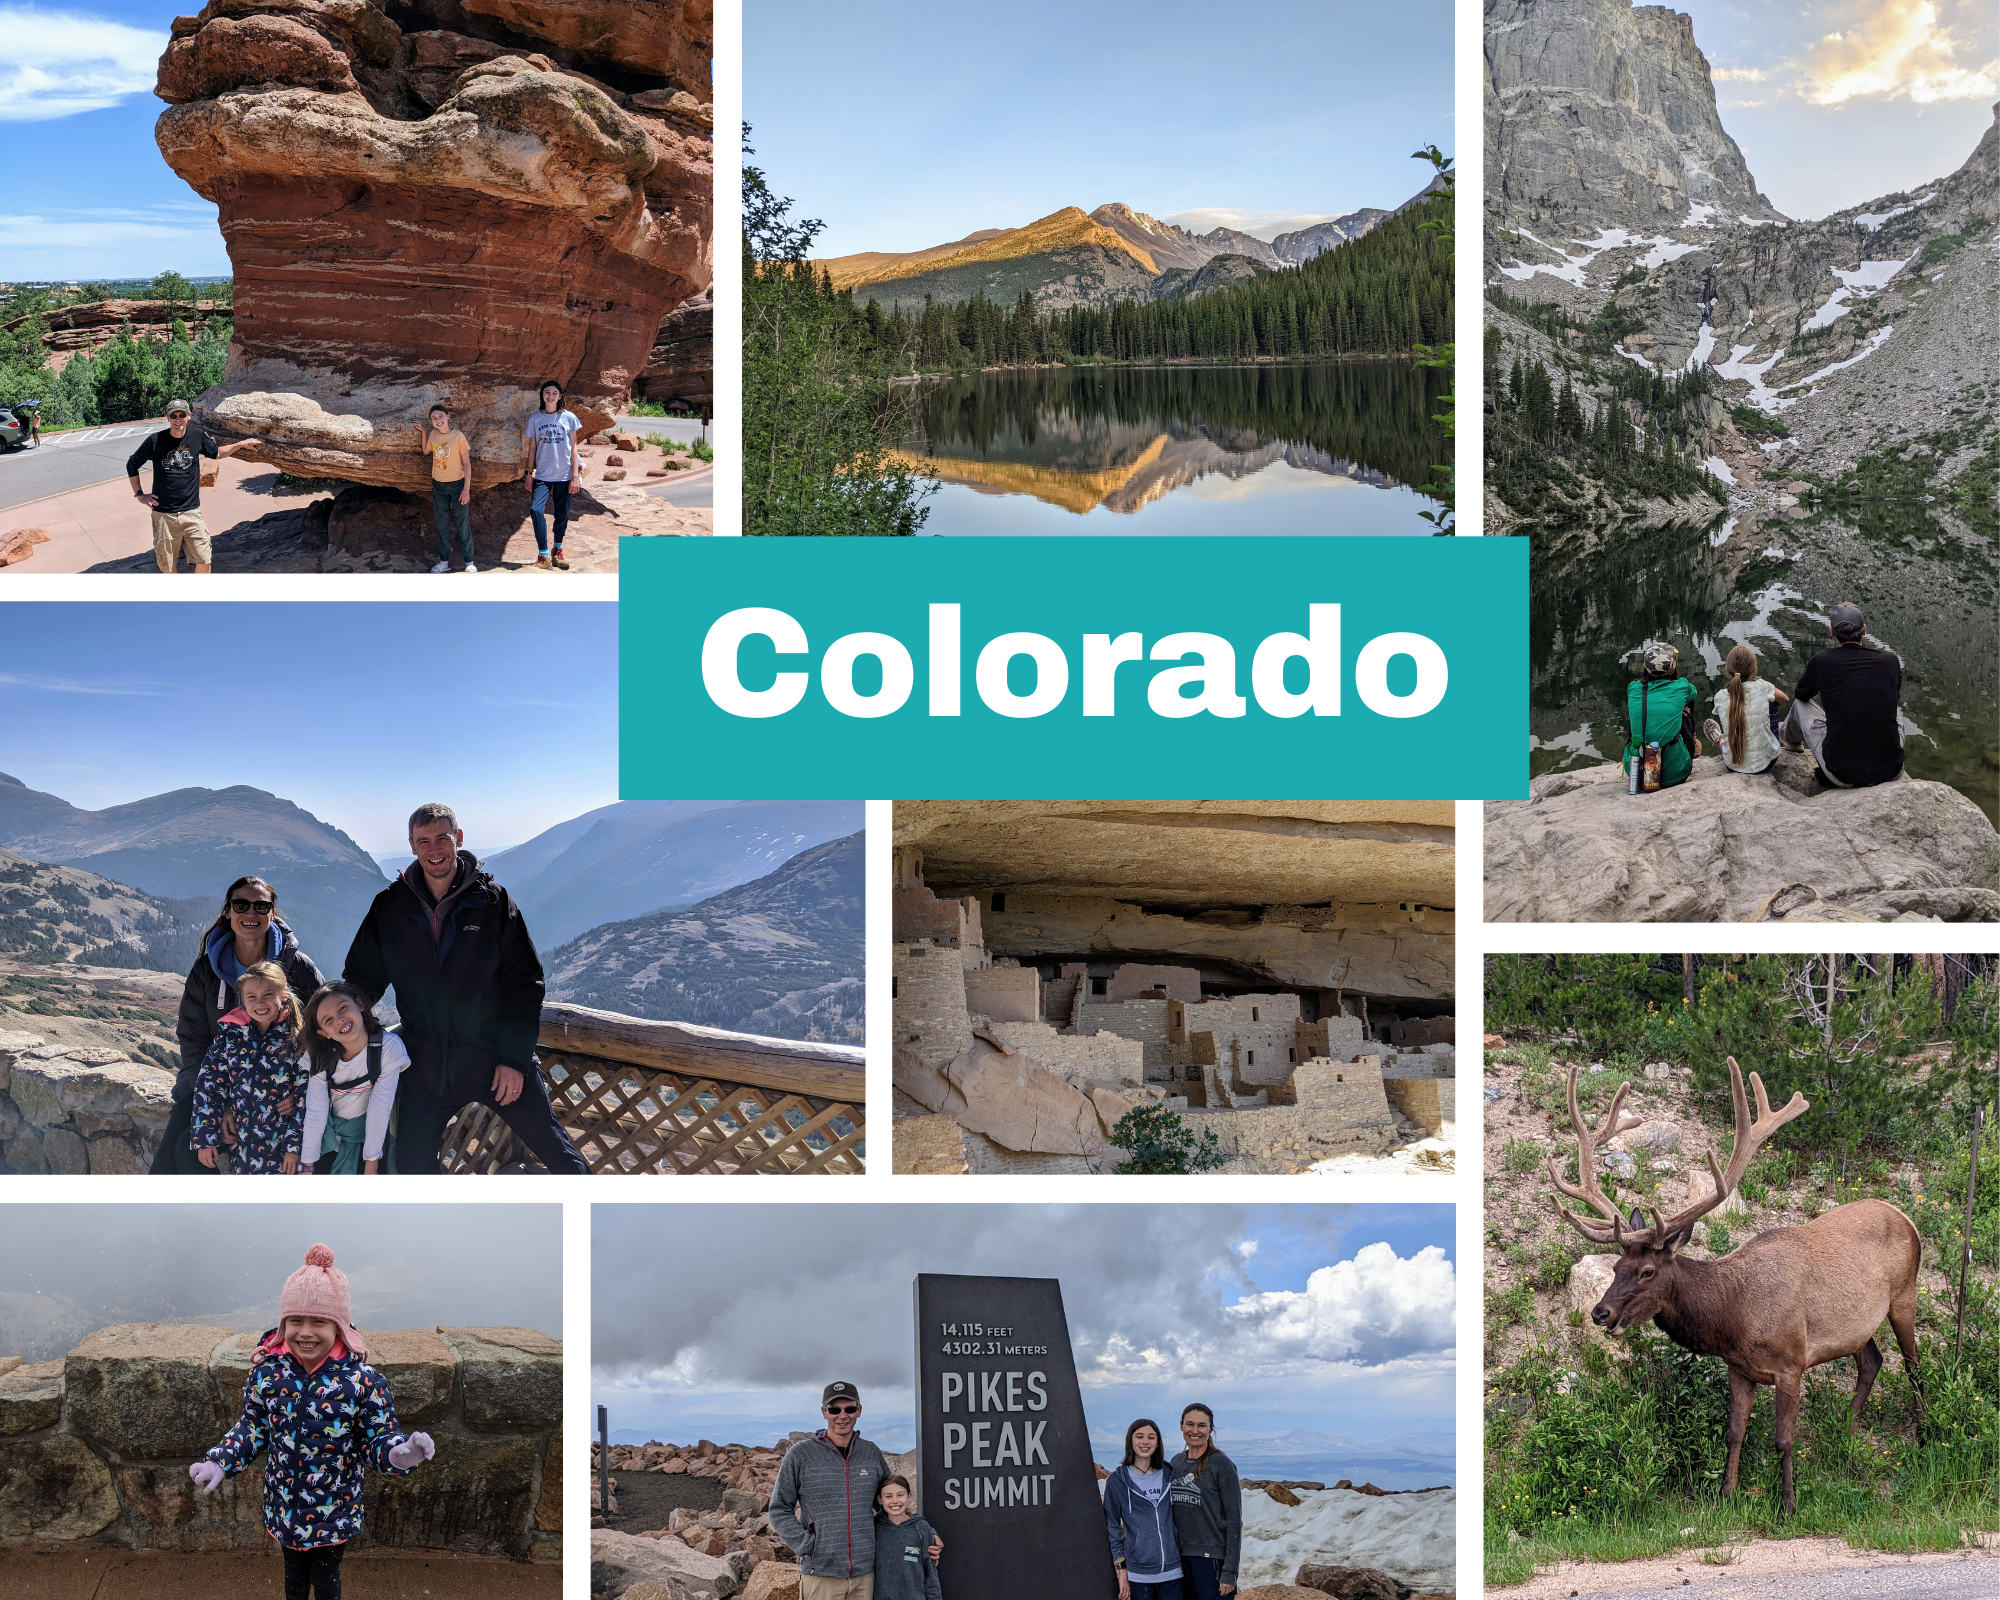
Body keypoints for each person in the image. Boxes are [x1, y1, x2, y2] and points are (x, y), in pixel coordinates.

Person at [344, 802, 588, 1174]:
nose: (434, 850)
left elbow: (525, 984)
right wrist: (342, 1020)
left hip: (494, 1060)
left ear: (458, 839)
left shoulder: (492, 902)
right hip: (426, 1068)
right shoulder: (390, 907)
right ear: (411, 846)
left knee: (559, 1156)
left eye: (442, 839)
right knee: (412, 1170)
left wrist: (513, 1059)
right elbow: (362, 978)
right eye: (424, 841)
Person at [189, 1244, 435, 1600]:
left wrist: (402, 1454)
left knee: (326, 1579)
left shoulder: (363, 1382)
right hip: (284, 1506)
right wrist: (220, 1461)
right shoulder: (268, 1374)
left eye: (319, 1321)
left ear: (339, 1328)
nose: (305, 1332)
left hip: (334, 1511)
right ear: (282, 1324)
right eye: (295, 1321)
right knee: (293, 1578)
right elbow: (252, 1428)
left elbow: (377, 1440)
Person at [158, 877, 324, 1175]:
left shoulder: (298, 967)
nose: (251, 913)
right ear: (227, 912)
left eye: (261, 906)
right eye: (241, 905)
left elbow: (324, 1031)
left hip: (280, 1096)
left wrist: (302, 1094)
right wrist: (221, 1105)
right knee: (183, 1150)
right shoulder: (206, 969)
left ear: (273, 913)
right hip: (218, 1083)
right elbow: (193, 1038)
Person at [769, 1381, 939, 1599]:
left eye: (849, 1409)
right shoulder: (801, 1455)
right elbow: (778, 1508)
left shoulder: (870, 1453)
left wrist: (926, 1534)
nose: (842, 1415)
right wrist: (807, 1545)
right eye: (834, 1409)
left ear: (859, 1410)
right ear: (824, 1412)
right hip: (821, 1574)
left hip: (865, 1575)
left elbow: (891, 1504)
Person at [189, 961, 309, 1174]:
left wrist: (294, 1146)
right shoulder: (229, 1037)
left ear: (284, 994)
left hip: (283, 1152)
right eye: (251, 996)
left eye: (268, 994)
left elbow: (306, 1094)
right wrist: (205, 1139)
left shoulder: (297, 1040)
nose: (260, 1002)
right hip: (243, 1151)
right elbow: (209, 1084)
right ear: (242, 1000)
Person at [124, 398, 262, 573]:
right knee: (168, 565)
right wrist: (139, 495)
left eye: (182, 414)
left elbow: (217, 453)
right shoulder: (155, 440)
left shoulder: (196, 436)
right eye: (174, 415)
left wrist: (240, 444)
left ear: (188, 416)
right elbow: (132, 464)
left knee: (204, 558)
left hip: (191, 512)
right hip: (164, 515)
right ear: (168, 418)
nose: (178, 419)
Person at [1780, 601, 1905, 788]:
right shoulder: (1889, 660)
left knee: (1799, 705)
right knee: (1894, 707)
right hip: (1891, 771)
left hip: (1842, 774)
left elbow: (1801, 694)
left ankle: (1791, 743)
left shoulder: (1822, 661)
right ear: (1864, 629)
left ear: (1832, 631)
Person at [298, 982, 408, 1175]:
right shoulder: (321, 1056)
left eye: (343, 1008)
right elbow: (317, 1110)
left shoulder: (387, 1049)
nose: (339, 1019)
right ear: (324, 1034)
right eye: (328, 1020)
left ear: (359, 1004)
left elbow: (380, 1108)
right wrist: (308, 1165)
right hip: (329, 1138)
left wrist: (371, 1166)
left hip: (366, 1138)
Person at [1167, 1404, 1240, 1600]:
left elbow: (1234, 1520)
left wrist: (1230, 1572)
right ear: (1181, 1426)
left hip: (1211, 1561)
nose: (1195, 1430)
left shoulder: (1221, 1465)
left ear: (1210, 1428)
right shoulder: (1175, 1463)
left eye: (1202, 1425)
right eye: (1190, 1424)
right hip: (1179, 1560)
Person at [1106, 1417, 1183, 1600]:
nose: (1145, 1442)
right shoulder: (1118, 1481)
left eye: (1151, 1437)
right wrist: (1121, 1570)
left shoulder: (1169, 1474)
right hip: (1138, 1574)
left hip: (1173, 1571)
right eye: (1139, 1436)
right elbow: (1112, 1525)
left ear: (1157, 1443)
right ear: (1130, 1441)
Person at [1620, 640, 1703, 790]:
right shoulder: (1682, 687)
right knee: (1687, 705)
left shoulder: (1633, 688)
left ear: (1645, 666)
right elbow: (1693, 693)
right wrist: (1677, 707)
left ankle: (1640, 758)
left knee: (1640, 713)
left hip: (1636, 771)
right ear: (1674, 667)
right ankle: (1692, 743)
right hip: (1675, 773)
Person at [521, 379, 581, 570]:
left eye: (554, 393)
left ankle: (557, 550)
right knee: (536, 510)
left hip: (564, 474)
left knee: (562, 513)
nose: (550, 396)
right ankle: (543, 554)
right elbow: (532, 448)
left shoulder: (569, 418)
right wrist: (529, 473)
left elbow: (574, 448)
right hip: (543, 475)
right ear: (542, 396)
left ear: (560, 396)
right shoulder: (535, 419)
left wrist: (575, 475)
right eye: (547, 392)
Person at [1704, 643, 1789, 775]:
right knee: (1772, 702)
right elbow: (1785, 699)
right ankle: (1768, 737)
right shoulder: (1763, 687)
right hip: (1767, 763)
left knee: (1730, 715)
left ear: (1728, 670)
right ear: (1754, 669)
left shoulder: (1720, 696)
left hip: (1732, 765)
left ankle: (1720, 740)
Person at [415, 404, 476, 574]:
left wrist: (466, 489)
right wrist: (424, 432)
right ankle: (444, 562)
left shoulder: (458, 437)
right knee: (442, 524)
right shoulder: (434, 434)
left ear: (448, 417)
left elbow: (467, 463)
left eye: (440, 416)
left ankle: (469, 562)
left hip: (457, 485)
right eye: (434, 418)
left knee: (462, 522)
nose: (438, 420)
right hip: (438, 485)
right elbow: (426, 451)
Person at [873, 1475, 943, 1600]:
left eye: (900, 1495)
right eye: (888, 1496)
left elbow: (931, 1575)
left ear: (909, 1496)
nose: (895, 1501)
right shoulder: (874, 1528)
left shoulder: (921, 1528)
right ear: (880, 1499)